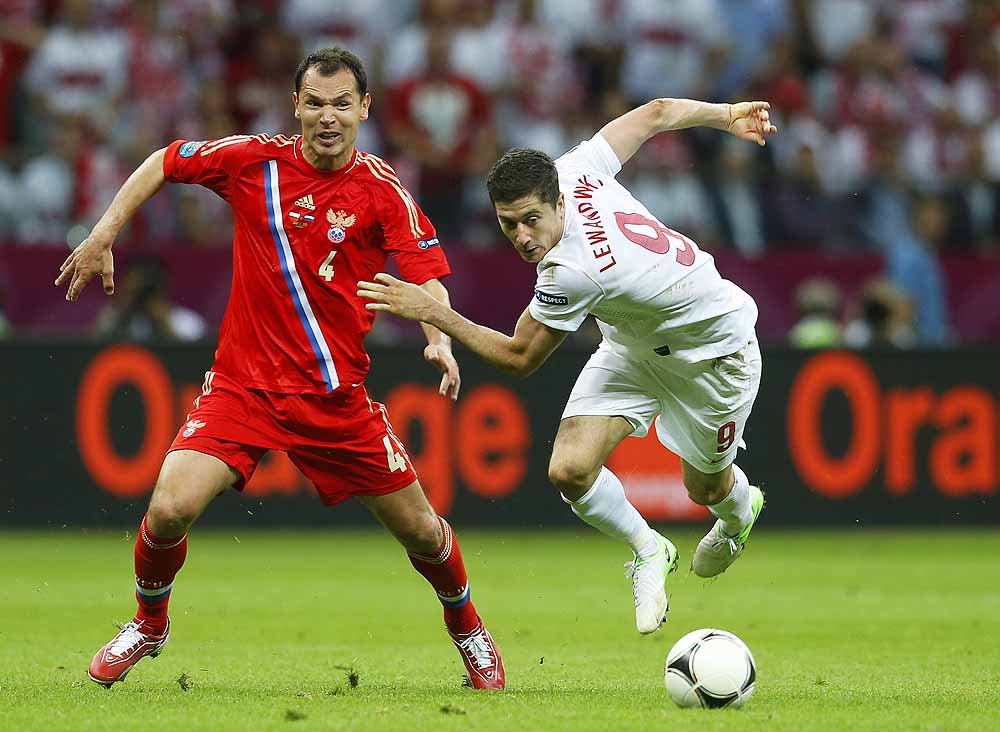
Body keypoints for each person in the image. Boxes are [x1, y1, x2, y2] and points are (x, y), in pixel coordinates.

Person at [55, 47, 504, 691]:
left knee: (423, 532)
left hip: (335, 400)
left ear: (365, 108)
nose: (328, 116)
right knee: (169, 509)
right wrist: (103, 234)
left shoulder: (383, 192)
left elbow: (424, 278)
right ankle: (148, 623)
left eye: (342, 104)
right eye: (315, 103)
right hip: (244, 389)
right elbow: (164, 161)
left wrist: (441, 339)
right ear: (296, 105)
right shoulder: (253, 162)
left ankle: (470, 631)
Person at [359, 97, 776, 635]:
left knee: (706, 492)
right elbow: (655, 114)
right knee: (569, 470)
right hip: (634, 347)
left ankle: (740, 516)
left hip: (714, 357)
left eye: (531, 220)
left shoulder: (573, 271)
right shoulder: (575, 168)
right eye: (509, 224)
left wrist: (434, 312)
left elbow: (519, 357)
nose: (522, 237)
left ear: (558, 203)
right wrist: (725, 116)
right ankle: (650, 549)